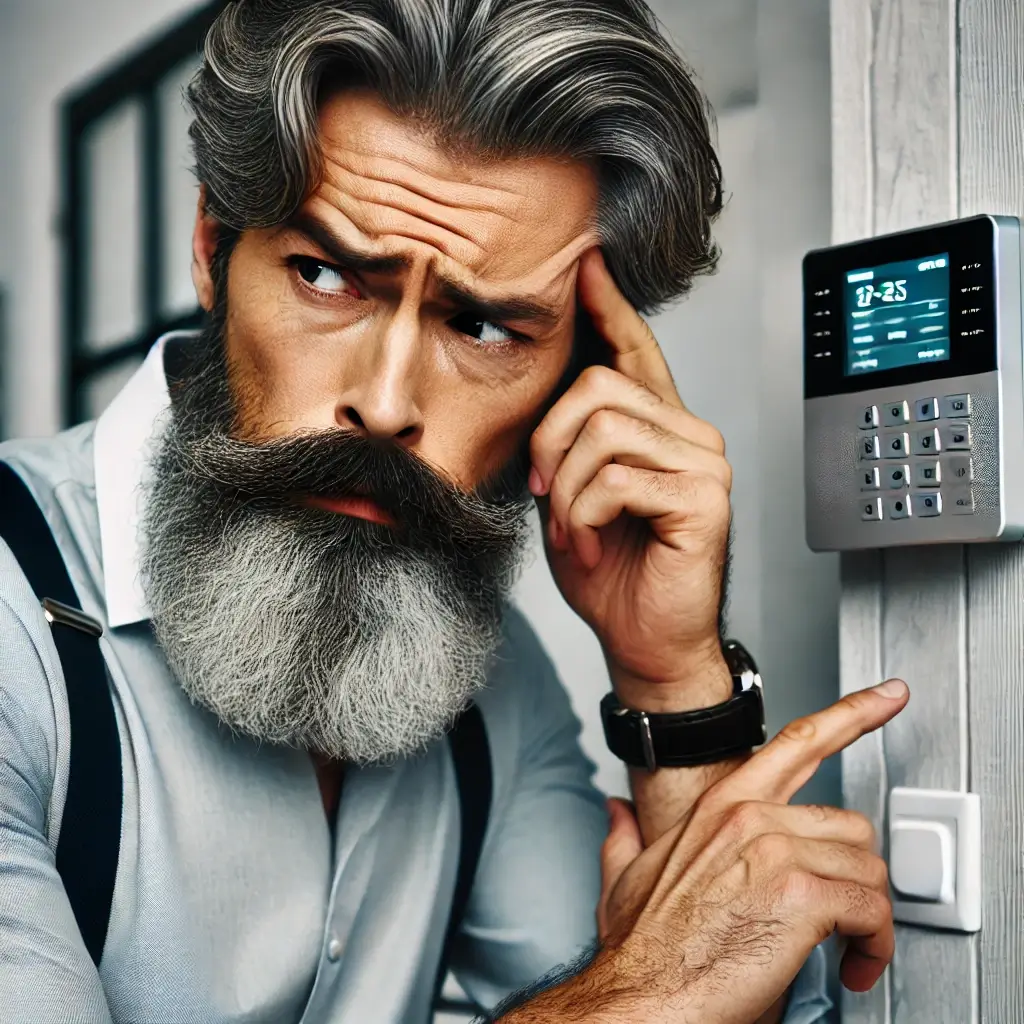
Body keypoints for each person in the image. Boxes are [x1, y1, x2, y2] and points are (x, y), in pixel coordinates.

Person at [0, 1, 906, 1022]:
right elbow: (669, 990)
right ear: (214, 248)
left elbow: (726, 985)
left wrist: (670, 674)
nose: (385, 404)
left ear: (579, 379)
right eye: (326, 274)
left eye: (481, 324)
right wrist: (640, 993)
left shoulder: (491, 683)